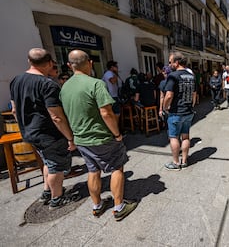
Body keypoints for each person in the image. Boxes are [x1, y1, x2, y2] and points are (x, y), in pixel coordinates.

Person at [60, 50, 137, 221]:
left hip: (81, 139)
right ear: (90, 63)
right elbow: (107, 112)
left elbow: (61, 115)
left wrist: (71, 138)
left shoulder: (65, 87)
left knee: (93, 170)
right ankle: (119, 207)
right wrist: (117, 134)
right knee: (117, 167)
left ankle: (97, 205)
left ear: (69, 65)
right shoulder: (96, 84)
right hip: (101, 137)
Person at [9, 48, 76, 210]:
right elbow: (56, 117)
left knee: (47, 161)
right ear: (48, 63)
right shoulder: (47, 84)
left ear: (29, 61)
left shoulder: (16, 80)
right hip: (49, 134)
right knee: (56, 167)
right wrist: (70, 138)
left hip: (30, 133)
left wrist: (26, 127)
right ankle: (56, 198)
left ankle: (47, 191)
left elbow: (14, 110)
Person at [163, 51, 196, 171]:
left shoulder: (173, 76)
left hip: (176, 112)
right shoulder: (191, 76)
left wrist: (164, 107)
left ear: (177, 63)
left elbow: (169, 95)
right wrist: (191, 106)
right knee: (186, 137)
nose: (170, 64)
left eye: (171, 62)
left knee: (174, 137)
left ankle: (176, 162)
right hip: (188, 111)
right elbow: (194, 94)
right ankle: (185, 161)